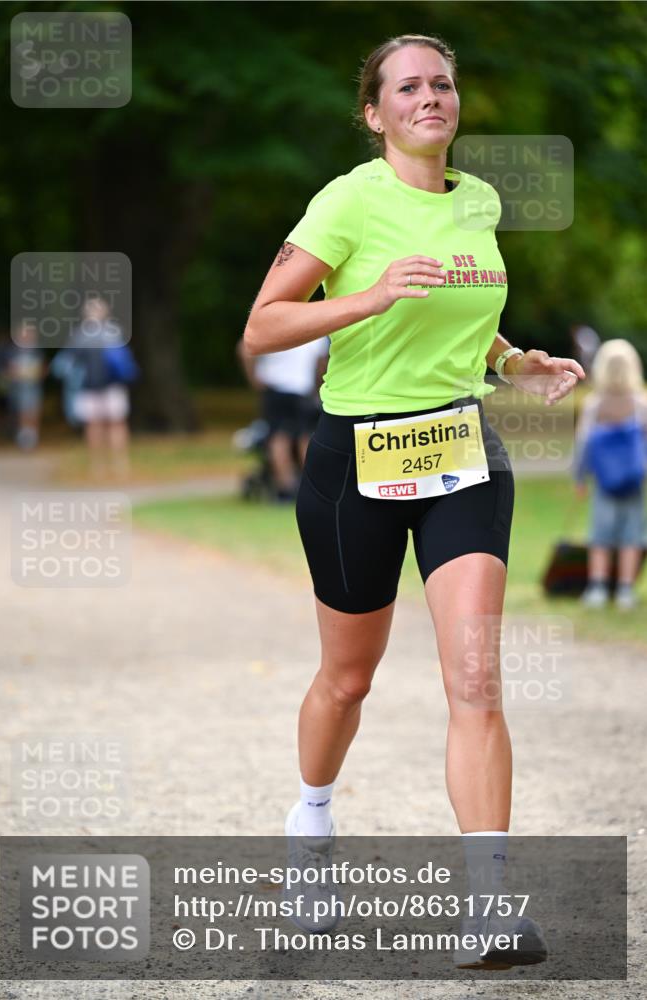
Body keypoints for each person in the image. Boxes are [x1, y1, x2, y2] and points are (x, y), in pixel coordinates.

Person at [244, 34, 583, 968]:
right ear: (374, 112)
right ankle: (310, 824)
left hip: (462, 449)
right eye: (407, 86)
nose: (428, 96)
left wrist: (512, 360)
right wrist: (367, 297)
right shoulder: (347, 201)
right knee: (347, 679)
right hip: (356, 453)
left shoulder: (477, 200)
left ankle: (487, 905)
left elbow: (461, 311)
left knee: (473, 679)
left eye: (441, 83)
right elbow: (263, 324)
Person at [573, 338, 647, 610]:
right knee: (632, 536)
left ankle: (598, 588)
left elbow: (583, 445)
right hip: (633, 481)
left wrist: (580, 478)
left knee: (600, 536)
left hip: (604, 482)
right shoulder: (640, 404)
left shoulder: (595, 404)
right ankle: (626, 589)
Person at [236, 337, 329, 500]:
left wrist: (253, 377)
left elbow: (244, 349)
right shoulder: (315, 325)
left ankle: (286, 487)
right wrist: (318, 386)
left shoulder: (277, 322)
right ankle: (312, 485)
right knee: (305, 436)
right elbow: (321, 362)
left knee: (279, 438)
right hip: (302, 388)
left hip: (275, 387)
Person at [68, 297, 137, 480]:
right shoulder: (97, 333)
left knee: (114, 423)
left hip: (107, 386)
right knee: (95, 424)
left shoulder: (88, 334)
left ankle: (117, 464)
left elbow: (73, 358)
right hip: (93, 387)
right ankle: (101, 465)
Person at [7, 320, 45, 450]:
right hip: (19, 386)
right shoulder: (13, 350)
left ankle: (33, 438)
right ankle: (24, 439)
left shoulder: (37, 350)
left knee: (33, 411)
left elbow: (42, 368)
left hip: (33, 386)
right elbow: (10, 369)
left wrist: (37, 374)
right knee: (22, 412)